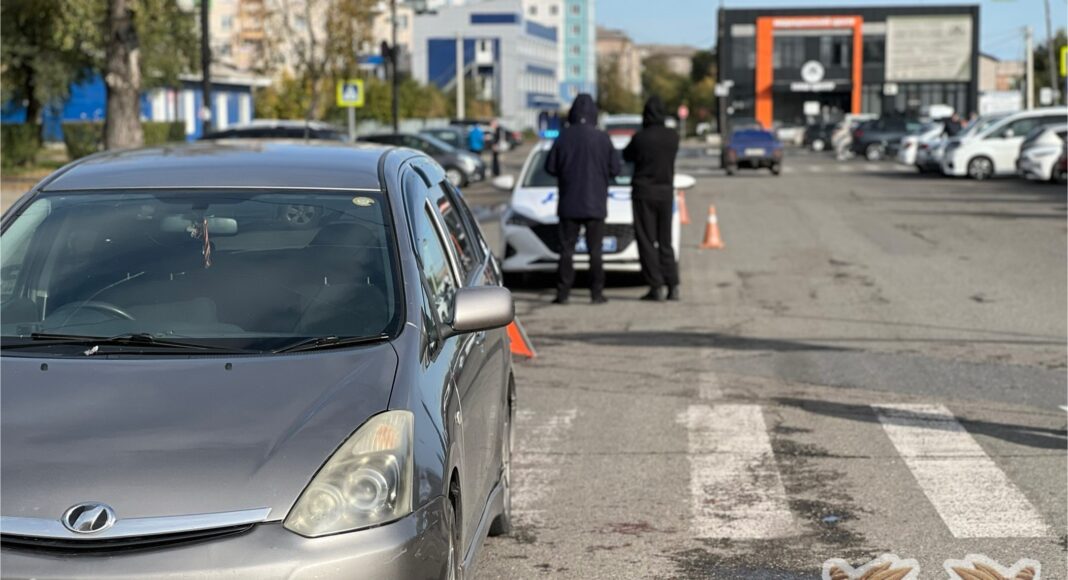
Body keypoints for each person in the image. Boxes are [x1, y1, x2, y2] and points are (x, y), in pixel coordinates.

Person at [545, 93, 621, 305]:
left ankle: (563, 293)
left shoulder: (563, 137)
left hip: (569, 203)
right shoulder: (602, 138)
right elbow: (615, 168)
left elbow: (550, 167)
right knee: (595, 250)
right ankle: (596, 293)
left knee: (566, 250)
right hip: (596, 203)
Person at [623, 95, 681, 302]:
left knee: (647, 241)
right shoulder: (672, 137)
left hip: (643, 193)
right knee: (665, 241)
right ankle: (673, 285)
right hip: (665, 193)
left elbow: (627, 156)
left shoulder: (640, 138)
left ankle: (655, 286)